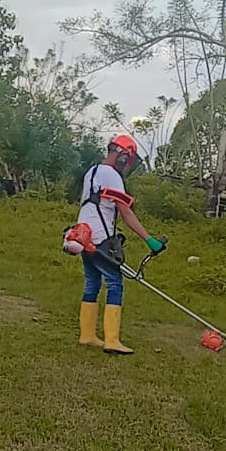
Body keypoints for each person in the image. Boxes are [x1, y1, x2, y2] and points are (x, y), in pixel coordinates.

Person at [76, 134, 165, 355]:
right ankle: (112, 340)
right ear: (122, 155)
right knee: (115, 282)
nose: (127, 166)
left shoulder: (92, 171)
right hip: (100, 236)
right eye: (128, 160)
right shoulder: (112, 175)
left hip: (82, 235)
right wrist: (149, 239)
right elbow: (125, 212)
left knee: (92, 282)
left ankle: (87, 335)